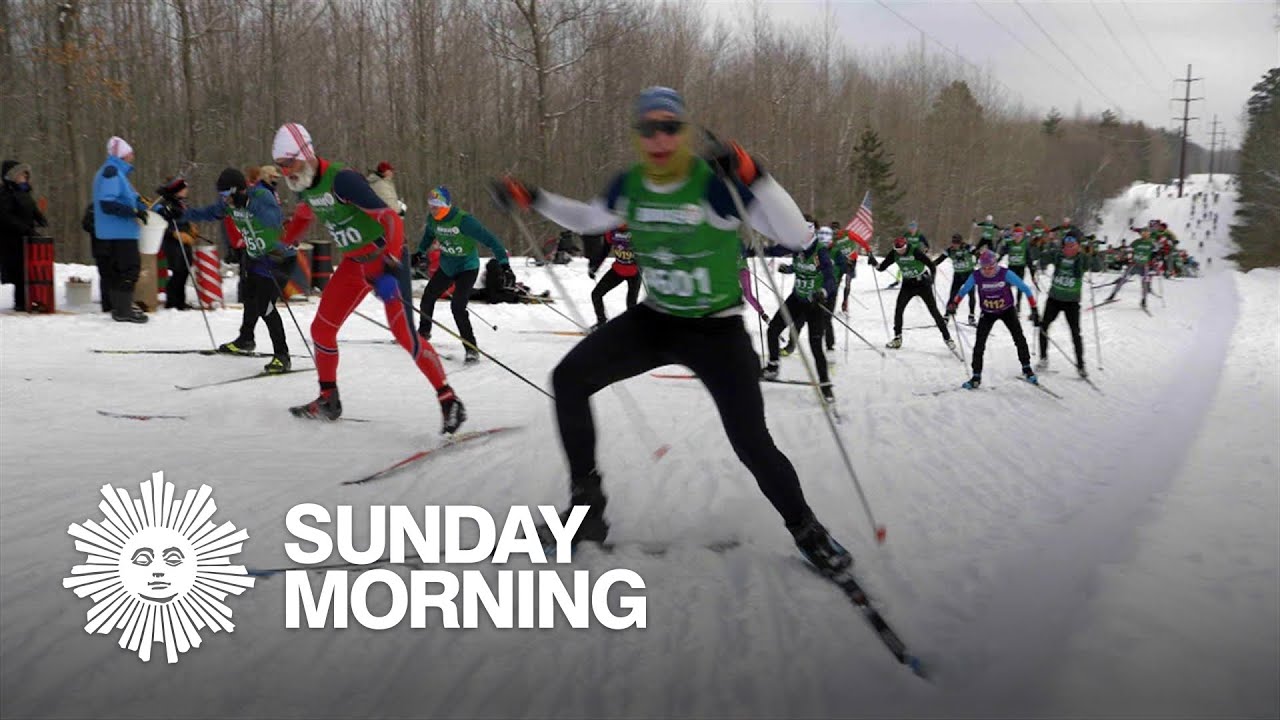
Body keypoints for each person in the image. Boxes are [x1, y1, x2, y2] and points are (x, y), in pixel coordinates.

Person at [489, 86, 853, 575]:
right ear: (638, 135)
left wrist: (756, 175)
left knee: (750, 440)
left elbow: (796, 236)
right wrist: (533, 197)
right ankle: (586, 513)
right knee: (569, 379)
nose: (659, 138)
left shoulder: (711, 186)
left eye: (670, 127)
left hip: (716, 329)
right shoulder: (631, 183)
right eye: (648, 128)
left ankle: (808, 531)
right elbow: (590, 219)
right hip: (656, 320)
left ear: (683, 132)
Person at [270, 123, 465, 432]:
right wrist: (280, 246)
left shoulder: (342, 180)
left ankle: (449, 401)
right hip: (354, 263)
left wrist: (389, 265)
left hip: (385, 257)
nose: (285, 172)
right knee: (321, 329)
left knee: (404, 334)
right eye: (280, 167)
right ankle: (327, 399)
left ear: (305, 154)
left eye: (288, 163)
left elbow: (390, 218)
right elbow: (305, 216)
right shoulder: (305, 186)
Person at [182, 168, 295, 373]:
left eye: (226, 195)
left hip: (276, 258)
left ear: (238, 190)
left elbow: (273, 218)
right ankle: (246, 339)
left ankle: (282, 355)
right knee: (249, 297)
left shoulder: (261, 195)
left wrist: (249, 206)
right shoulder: (229, 205)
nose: (224, 199)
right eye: (222, 196)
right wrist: (183, 213)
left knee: (265, 305)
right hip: (255, 258)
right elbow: (209, 212)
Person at [412, 186, 511, 363]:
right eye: (430, 206)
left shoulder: (464, 221)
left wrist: (504, 264)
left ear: (445, 205)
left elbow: (491, 240)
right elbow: (428, 235)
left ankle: (471, 348)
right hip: (447, 266)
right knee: (428, 297)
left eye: (436, 206)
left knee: (457, 307)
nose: (432, 210)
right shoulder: (433, 220)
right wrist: (419, 252)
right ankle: (423, 333)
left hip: (467, 267)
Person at [762, 231, 838, 402]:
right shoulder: (797, 246)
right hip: (796, 298)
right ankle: (773, 366)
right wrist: (754, 250)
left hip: (814, 304)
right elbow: (777, 252)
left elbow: (831, 279)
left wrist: (823, 292)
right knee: (773, 330)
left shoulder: (821, 253)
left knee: (815, 345)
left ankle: (825, 384)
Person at [947, 249, 1040, 389]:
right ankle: (976, 377)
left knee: (1019, 338)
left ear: (995, 264)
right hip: (988, 312)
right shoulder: (976, 276)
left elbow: (1025, 289)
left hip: (1007, 310)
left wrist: (1034, 309)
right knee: (979, 344)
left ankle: (1027, 368)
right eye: (984, 268)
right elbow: (964, 290)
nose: (988, 271)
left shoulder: (1005, 273)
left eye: (991, 267)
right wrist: (954, 303)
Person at [91, 137, 150, 323]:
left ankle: (120, 307)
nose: (133, 155)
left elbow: (132, 197)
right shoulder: (112, 172)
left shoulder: (118, 173)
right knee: (129, 270)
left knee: (119, 271)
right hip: (118, 232)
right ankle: (123, 310)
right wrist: (132, 212)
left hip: (117, 231)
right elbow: (107, 203)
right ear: (122, 154)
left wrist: (143, 206)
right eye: (129, 151)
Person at [874, 235, 953, 351]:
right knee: (899, 309)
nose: (900, 252)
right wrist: (874, 263)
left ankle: (948, 338)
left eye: (902, 249)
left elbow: (931, 265)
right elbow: (882, 267)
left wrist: (932, 279)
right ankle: (897, 338)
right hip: (908, 285)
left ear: (906, 246)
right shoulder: (894, 253)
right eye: (898, 250)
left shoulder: (915, 251)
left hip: (922, 283)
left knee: (933, 310)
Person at [1036, 234, 1088, 377]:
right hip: (1055, 298)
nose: (1069, 249)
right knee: (1043, 326)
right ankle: (1043, 359)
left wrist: (1093, 254)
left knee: (1075, 333)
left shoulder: (1081, 258)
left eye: (1072, 246)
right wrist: (1042, 248)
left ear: (1078, 246)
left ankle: (1081, 365)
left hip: (1071, 301)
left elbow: (1096, 265)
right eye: (1066, 246)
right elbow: (1042, 258)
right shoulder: (1058, 255)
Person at [0, 160, 48, 311]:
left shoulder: (24, 191)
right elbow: (5, 216)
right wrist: (24, 228)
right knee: (19, 271)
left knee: (27, 269)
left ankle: (30, 299)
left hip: (26, 236)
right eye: (21, 174)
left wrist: (39, 217)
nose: (25, 176)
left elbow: (31, 207)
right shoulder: (6, 193)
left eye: (25, 174)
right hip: (12, 239)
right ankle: (20, 302)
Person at [150, 177, 195, 310]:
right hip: (173, 243)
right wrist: (174, 233)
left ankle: (181, 300)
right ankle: (173, 301)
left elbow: (184, 217)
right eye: (183, 189)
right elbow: (162, 223)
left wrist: (190, 227)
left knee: (184, 271)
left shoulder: (181, 203)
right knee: (177, 272)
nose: (186, 191)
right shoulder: (166, 205)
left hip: (185, 241)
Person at [587, 224, 641, 328]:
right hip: (618, 270)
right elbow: (605, 251)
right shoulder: (612, 232)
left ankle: (633, 329)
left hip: (634, 272)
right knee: (596, 294)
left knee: (631, 304)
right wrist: (595, 267)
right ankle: (601, 322)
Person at [1105, 226, 1155, 309]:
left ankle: (1144, 301)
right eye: (1143, 233)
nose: (1145, 234)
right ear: (1141, 234)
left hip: (1144, 266)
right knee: (1122, 280)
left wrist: (1157, 258)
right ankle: (1112, 296)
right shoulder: (1136, 242)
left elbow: (1157, 251)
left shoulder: (1151, 243)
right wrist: (1121, 255)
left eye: (1147, 233)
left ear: (1149, 234)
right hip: (1134, 265)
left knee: (1144, 284)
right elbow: (1128, 249)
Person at [935, 233, 977, 325]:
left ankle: (971, 316)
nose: (955, 245)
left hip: (969, 274)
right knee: (953, 295)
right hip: (958, 275)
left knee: (971, 295)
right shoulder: (950, 250)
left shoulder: (967, 247)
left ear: (961, 242)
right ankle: (946, 316)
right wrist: (931, 265)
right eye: (954, 243)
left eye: (957, 243)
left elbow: (978, 253)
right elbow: (940, 259)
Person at [998, 223, 1033, 314]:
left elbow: (1029, 258)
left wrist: (1032, 271)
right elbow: (1002, 253)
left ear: (1022, 235)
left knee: (1020, 287)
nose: (1017, 237)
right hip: (1012, 267)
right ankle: (1008, 303)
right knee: (1007, 286)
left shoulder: (1025, 243)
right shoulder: (1009, 243)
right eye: (1015, 235)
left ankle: (1018, 306)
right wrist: (996, 261)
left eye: (1019, 235)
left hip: (1021, 267)